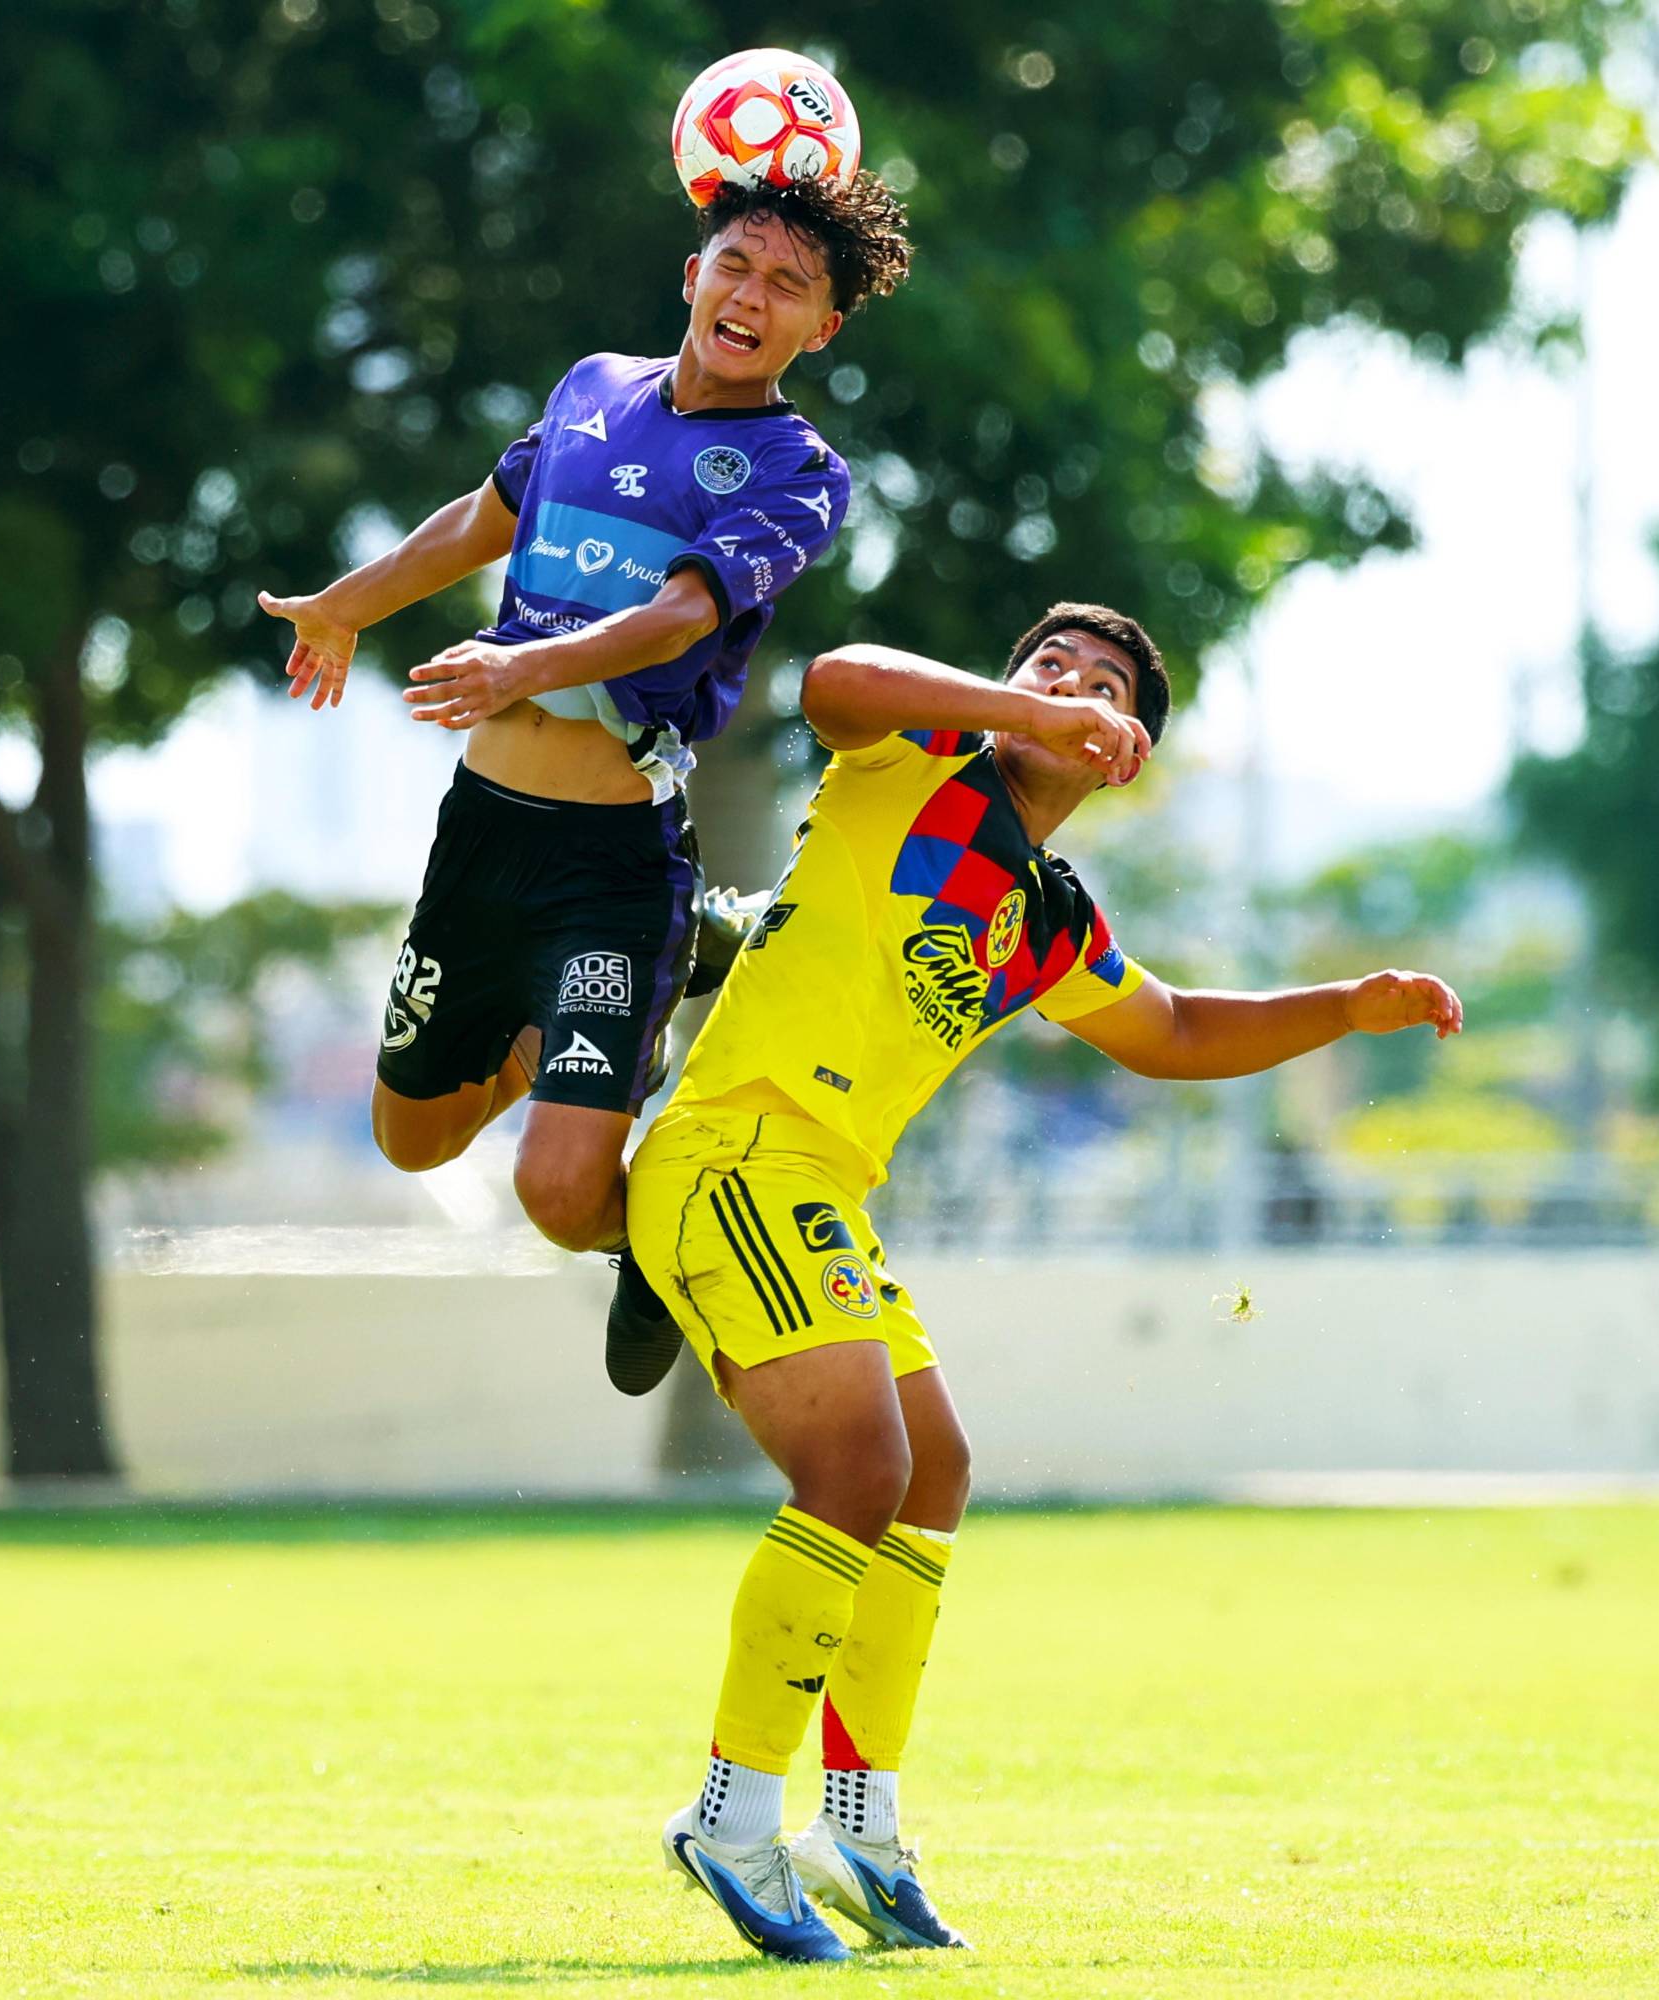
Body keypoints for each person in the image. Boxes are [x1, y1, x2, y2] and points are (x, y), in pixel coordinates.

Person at [620, 604, 1464, 1961]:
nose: (1064, 681)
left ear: (1126, 752)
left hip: (819, 1188)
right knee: (857, 1470)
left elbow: (1175, 1028)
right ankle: (729, 1817)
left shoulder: (1048, 918)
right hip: (734, 1151)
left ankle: (858, 1821)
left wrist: (1341, 1008)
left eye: (1102, 684)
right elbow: (837, 680)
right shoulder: (917, 764)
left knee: (930, 1469)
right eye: (1045, 665)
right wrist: (1016, 713)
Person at [258, 176, 910, 1259]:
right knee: (410, 1139)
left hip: (611, 861)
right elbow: (482, 517)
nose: (752, 295)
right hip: (481, 833)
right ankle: (562, 1021)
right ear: (693, 273)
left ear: (822, 324)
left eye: (789, 284)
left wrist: (520, 668)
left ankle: (657, 1257)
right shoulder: (591, 387)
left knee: (558, 1195)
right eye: (737, 264)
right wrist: (344, 606)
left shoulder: (799, 471)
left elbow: (678, 616)